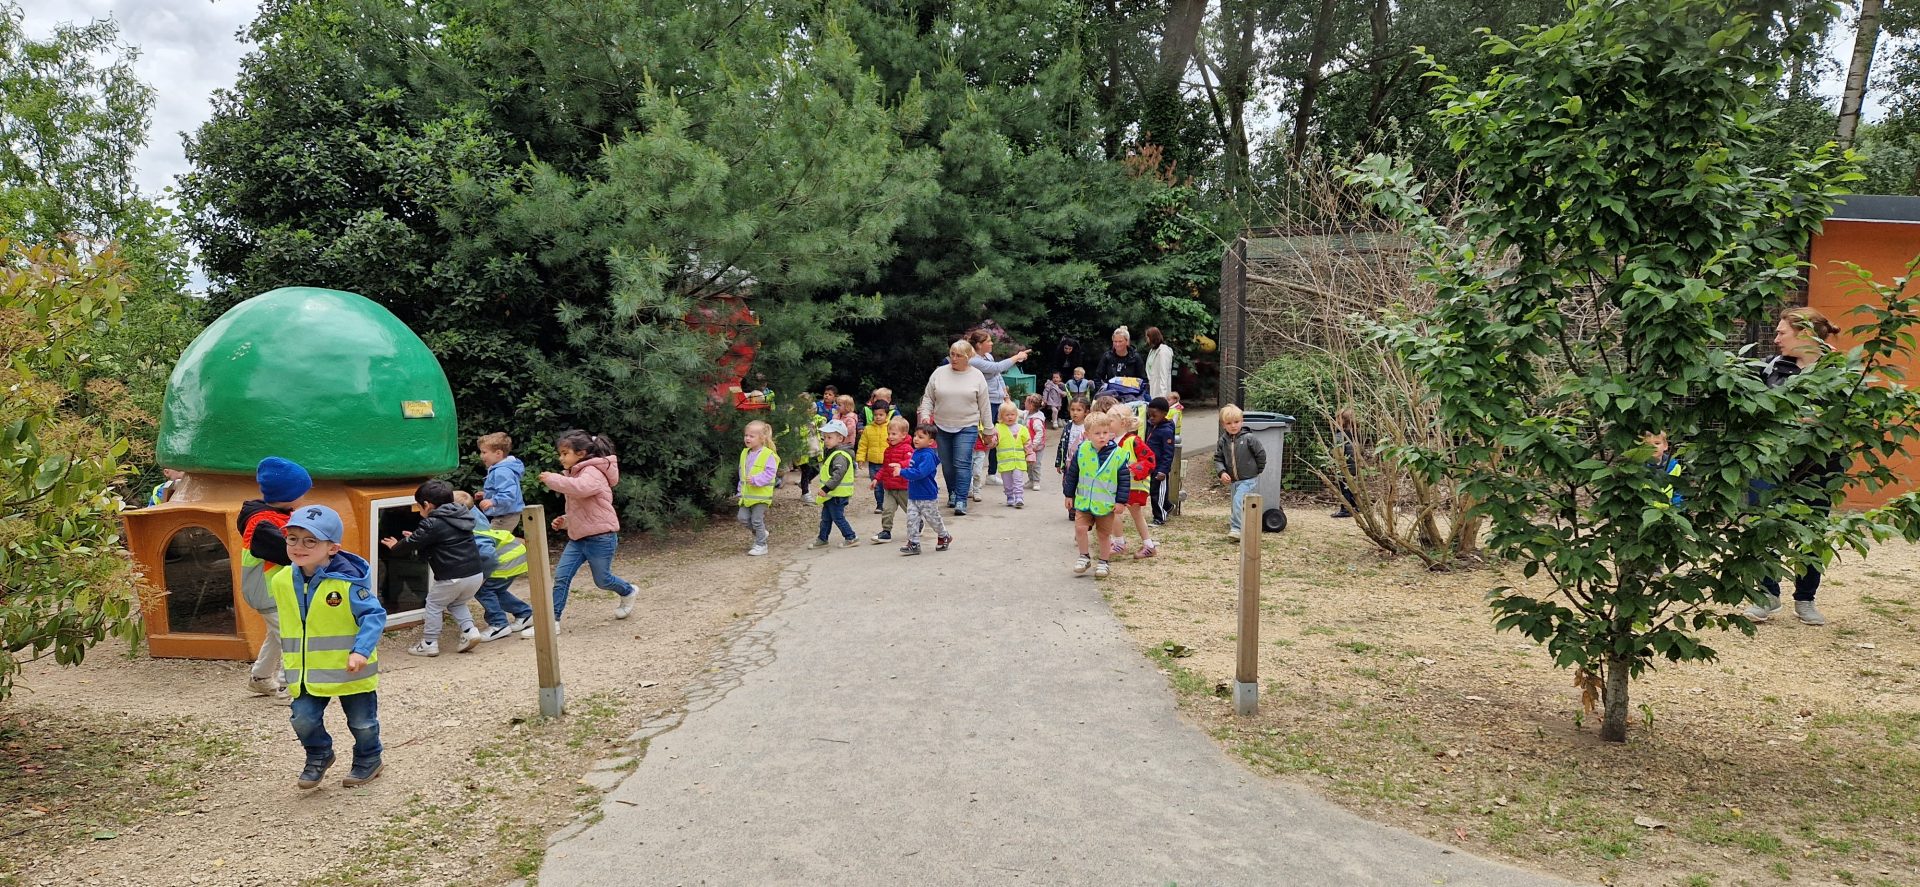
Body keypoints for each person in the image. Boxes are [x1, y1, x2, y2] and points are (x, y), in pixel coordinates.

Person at [274, 504, 386, 788]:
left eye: (310, 541)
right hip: (307, 672)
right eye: (293, 539)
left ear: (332, 548)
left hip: (351, 670)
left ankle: (369, 758)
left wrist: (361, 650)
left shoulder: (348, 583)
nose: (299, 546)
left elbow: (373, 616)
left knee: (362, 723)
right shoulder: (281, 580)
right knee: (302, 719)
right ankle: (319, 754)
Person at [1748, 306, 1844, 626]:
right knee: (1765, 525)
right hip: (1771, 462)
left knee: (1812, 531)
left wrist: (1820, 422)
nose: (1776, 339)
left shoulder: (1840, 371)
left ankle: (1805, 599)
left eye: (1782, 333)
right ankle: (1767, 594)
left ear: (1805, 334)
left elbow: (1852, 417)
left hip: (1819, 464)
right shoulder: (1771, 367)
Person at [537, 431, 640, 618]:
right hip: (578, 539)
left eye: (565, 453)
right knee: (561, 577)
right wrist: (566, 521)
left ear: (581, 453)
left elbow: (582, 489)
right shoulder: (576, 473)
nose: (561, 458)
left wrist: (553, 479)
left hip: (602, 538)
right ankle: (553, 621)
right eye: (560, 454)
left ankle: (628, 591)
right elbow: (583, 508)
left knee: (602, 580)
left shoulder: (593, 471)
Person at [382, 480, 488, 657]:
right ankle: (470, 631)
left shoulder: (432, 522)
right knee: (456, 602)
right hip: (475, 574)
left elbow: (413, 543)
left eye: (419, 507)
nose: (419, 511)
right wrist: (417, 537)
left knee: (433, 604)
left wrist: (396, 545)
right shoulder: (461, 515)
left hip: (453, 576)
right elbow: (440, 538)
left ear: (427, 505)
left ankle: (429, 643)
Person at [239, 456, 311, 701]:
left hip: (279, 590)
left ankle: (260, 678)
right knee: (292, 635)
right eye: (302, 492)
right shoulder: (262, 524)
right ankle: (289, 685)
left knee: (277, 634)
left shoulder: (277, 514)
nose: (305, 496)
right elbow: (289, 552)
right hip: (268, 591)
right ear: (288, 495)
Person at [917, 340, 994, 516]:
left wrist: (988, 430)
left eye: (959, 355)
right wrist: (926, 416)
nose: (954, 358)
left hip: (967, 425)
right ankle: (952, 492)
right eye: (952, 354)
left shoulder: (977, 376)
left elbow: (985, 406)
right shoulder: (939, 373)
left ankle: (961, 498)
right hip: (942, 425)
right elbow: (928, 398)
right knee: (947, 464)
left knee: (962, 462)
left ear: (968, 357)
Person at [454, 491, 535, 641]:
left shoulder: (472, 529)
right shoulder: (472, 514)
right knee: (496, 590)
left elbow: (488, 556)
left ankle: (499, 624)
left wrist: (482, 577)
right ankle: (525, 614)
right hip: (512, 556)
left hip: (504, 561)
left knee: (483, 589)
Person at [1063, 411, 1130, 579]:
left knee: (1103, 534)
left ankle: (1103, 561)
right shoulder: (1082, 450)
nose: (1102, 436)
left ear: (1110, 433)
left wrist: (1121, 501)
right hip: (1084, 501)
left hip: (1105, 504)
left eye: (1105, 432)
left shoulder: (1118, 454)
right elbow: (1073, 474)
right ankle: (1084, 557)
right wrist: (1069, 495)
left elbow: (1124, 479)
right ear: (1087, 435)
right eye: (1097, 433)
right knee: (1080, 528)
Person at [967, 329, 1030, 480]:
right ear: (979, 345)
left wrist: (1005, 395)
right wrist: (1017, 357)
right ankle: (971, 475)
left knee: (998, 436)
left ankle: (992, 473)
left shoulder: (988, 356)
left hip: (997, 400)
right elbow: (996, 368)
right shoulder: (974, 360)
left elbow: (998, 375)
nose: (991, 343)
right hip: (986, 402)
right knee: (983, 438)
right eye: (988, 341)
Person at [1108, 403, 1158, 558]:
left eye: (1110, 420)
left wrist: (1134, 469)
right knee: (1115, 512)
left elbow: (1150, 459)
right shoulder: (1110, 441)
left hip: (1134, 485)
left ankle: (1139, 544)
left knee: (1132, 514)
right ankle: (1124, 543)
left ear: (1122, 423)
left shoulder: (1133, 440)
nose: (1107, 423)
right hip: (1119, 486)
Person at [895, 425, 950, 555]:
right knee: (912, 520)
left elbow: (920, 473)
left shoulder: (928, 456)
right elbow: (911, 466)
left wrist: (902, 472)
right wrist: (901, 467)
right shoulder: (917, 452)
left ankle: (944, 536)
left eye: (920, 437)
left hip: (927, 495)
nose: (916, 439)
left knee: (933, 519)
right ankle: (913, 543)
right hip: (913, 494)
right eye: (915, 436)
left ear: (930, 442)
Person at [1215, 405, 1266, 541]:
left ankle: (1237, 529)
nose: (1233, 426)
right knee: (1236, 504)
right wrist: (1222, 472)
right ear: (1223, 425)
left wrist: (1257, 470)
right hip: (1234, 480)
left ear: (1242, 421)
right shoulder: (1223, 441)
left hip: (1248, 479)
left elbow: (1261, 454)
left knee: (1238, 501)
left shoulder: (1249, 438)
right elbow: (1218, 459)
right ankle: (1243, 525)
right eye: (1229, 423)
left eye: (1236, 422)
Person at [808, 420, 860, 549]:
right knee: (826, 518)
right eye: (824, 437)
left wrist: (826, 488)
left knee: (837, 517)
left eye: (829, 437)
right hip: (832, 494)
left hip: (837, 494)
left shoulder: (840, 455)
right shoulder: (833, 452)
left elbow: (838, 474)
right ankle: (822, 539)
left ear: (840, 438)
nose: (826, 440)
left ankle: (851, 537)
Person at [737, 419, 780, 556]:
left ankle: (761, 545)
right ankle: (761, 533)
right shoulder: (745, 453)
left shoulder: (768, 454)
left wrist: (756, 479)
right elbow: (742, 473)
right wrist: (740, 490)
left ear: (762, 438)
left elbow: (770, 473)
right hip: (747, 495)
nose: (747, 438)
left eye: (752, 436)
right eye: (746, 435)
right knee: (742, 518)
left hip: (761, 496)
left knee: (756, 520)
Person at [871, 416, 913, 544]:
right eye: (889, 433)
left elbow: (911, 462)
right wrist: (876, 479)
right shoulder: (887, 450)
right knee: (887, 510)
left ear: (903, 435)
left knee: (910, 510)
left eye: (894, 434)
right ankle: (886, 532)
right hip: (889, 487)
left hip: (903, 487)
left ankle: (918, 523)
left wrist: (900, 464)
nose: (890, 436)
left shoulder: (907, 449)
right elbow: (885, 467)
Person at [476, 432, 526, 532]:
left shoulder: (502, 471)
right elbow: (503, 489)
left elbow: (509, 494)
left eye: (484, 452)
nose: (481, 456)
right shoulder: (501, 469)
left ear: (498, 453)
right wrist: (487, 495)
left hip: (505, 516)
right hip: (506, 514)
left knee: (492, 540)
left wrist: (492, 501)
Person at [859, 388, 895, 513]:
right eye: (875, 415)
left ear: (887, 415)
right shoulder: (868, 429)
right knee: (876, 485)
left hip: (888, 461)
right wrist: (860, 459)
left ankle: (889, 503)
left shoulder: (891, 428)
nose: (878, 417)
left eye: (881, 415)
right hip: (873, 462)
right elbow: (863, 445)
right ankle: (880, 505)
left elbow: (897, 443)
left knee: (887, 484)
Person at [1145, 397, 1177, 525]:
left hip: (1160, 468)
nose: (1151, 418)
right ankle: (1168, 506)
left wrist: (1163, 470)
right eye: (1150, 415)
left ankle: (1159, 517)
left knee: (1157, 493)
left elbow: (1169, 453)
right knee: (1154, 491)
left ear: (1164, 414)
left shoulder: (1166, 431)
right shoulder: (1152, 426)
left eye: (1154, 415)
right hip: (1151, 466)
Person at [1055, 398, 1089, 517]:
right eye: (1072, 409)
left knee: (1081, 485)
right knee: (1068, 484)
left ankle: (1080, 509)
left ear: (1086, 412)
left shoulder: (1088, 427)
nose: (1075, 413)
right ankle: (1072, 509)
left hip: (1083, 464)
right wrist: (1059, 462)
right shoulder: (1068, 427)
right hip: (1069, 463)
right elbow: (1062, 444)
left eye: (1079, 410)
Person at [992, 404, 1031, 508]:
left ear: (1016, 415)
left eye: (1012, 414)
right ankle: (1009, 496)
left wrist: (1030, 454)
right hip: (1005, 461)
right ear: (1001, 416)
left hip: (1019, 460)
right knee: (1007, 482)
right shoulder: (998, 428)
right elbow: (994, 441)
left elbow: (1027, 442)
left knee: (1018, 480)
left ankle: (1019, 497)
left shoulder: (1022, 428)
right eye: (1007, 415)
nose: (1010, 417)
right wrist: (992, 442)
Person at [1093, 327, 1148, 398]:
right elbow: (1098, 378)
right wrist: (1103, 394)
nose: (1117, 344)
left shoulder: (1135, 358)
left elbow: (1143, 380)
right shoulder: (1107, 357)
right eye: (1115, 341)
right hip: (1111, 396)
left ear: (1127, 342)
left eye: (1120, 341)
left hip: (1132, 395)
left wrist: (1138, 395)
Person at [1330, 408, 1359, 519]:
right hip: (1354, 465)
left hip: (1345, 465)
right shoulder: (1354, 434)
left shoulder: (1340, 435)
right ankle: (1354, 506)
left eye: (1337, 419)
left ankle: (1346, 509)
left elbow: (1338, 452)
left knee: (1344, 486)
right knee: (1351, 486)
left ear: (1342, 420)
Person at [1646, 432, 1683, 508]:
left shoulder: (1674, 467)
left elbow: (1677, 492)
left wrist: (1677, 509)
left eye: (1657, 443)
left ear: (1665, 445)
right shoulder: (1641, 468)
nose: (1653, 447)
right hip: (1645, 511)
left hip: (1668, 511)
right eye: (1648, 445)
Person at [1142, 327, 1175, 405]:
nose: (1147, 339)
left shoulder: (1163, 351)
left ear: (1153, 337)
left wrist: (1163, 395)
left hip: (1161, 388)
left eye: (1148, 337)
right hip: (1153, 386)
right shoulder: (1152, 350)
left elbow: (1164, 374)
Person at [1021, 393, 1048, 490]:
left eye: (1026, 401)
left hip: (1037, 447)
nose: (1024, 403)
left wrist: (1034, 445)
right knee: (1028, 463)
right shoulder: (1027, 413)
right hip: (1029, 446)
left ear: (1031, 405)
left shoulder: (1036, 419)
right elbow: (1019, 413)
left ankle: (1036, 481)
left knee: (1036, 464)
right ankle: (1031, 480)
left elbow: (1039, 433)